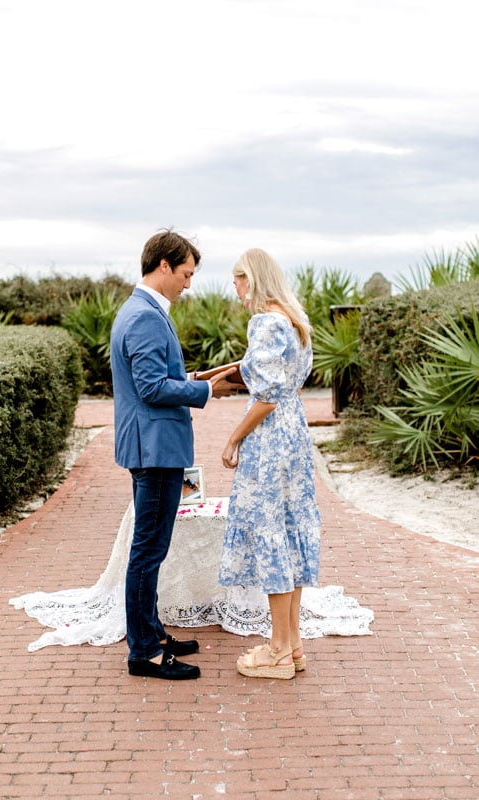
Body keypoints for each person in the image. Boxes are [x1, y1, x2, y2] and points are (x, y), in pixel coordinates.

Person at [110, 229, 237, 681]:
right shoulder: (145, 316)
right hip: (155, 448)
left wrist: (208, 377)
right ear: (163, 266)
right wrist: (203, 390)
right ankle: (143, 652)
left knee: (152, 548)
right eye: (185, 274)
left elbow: (162, 376)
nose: (188, 284)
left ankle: (151, 632)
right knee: (148, 550)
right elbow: (151, 388)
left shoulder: (141, 309)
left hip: (151, 444)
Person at [218, 248, 321, 679]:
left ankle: (278, 649)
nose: (236, 289)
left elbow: (265, 397)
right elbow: (285, 386)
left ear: (252, 278)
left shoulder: (264, 322)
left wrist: (233, 438)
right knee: (291, 528)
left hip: (270, 439)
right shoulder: (295, 321)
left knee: (271, 532)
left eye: (238, 280)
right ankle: (293, 643)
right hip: (295, 434)